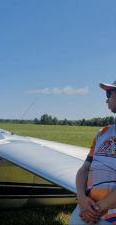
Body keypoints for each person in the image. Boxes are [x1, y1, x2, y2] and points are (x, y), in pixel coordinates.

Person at [69, 80, 116, 225]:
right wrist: (81, 198)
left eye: (110, 93)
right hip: (86, 208)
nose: (106, 98)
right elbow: (85, 168)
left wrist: (95, 209)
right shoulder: (102, 132)